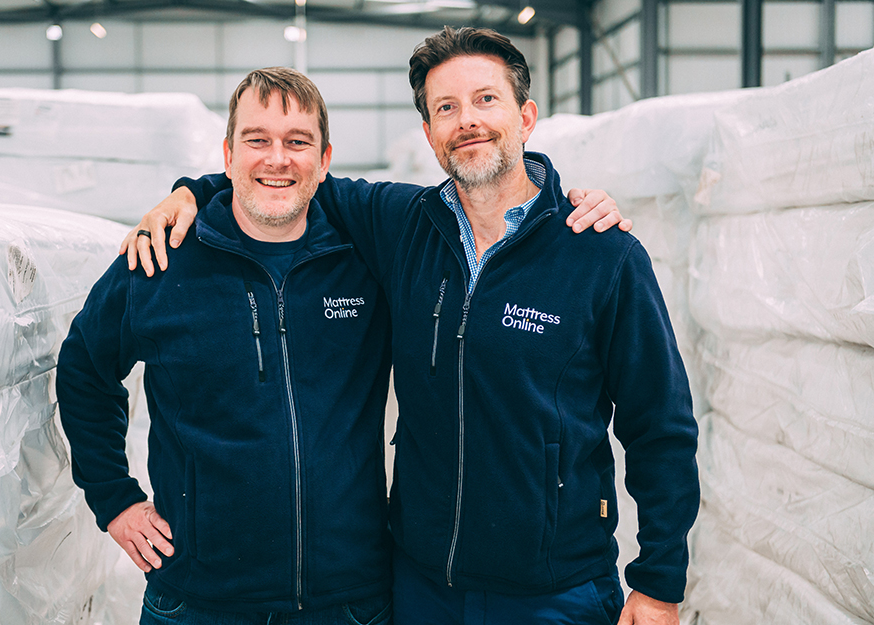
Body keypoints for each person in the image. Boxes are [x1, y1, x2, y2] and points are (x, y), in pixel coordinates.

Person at [122, 30, 682, 625]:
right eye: (446, 108)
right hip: (421, 585)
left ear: (526, 116)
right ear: (429, 135)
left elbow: (660, 424)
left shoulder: (599, 253)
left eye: (485, 100)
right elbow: (286, 175)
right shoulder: (404, 226)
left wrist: (659, 582)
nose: (467, 121)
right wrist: (190, 191)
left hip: (553, 590)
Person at [57, 68, 398, 625]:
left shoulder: (366, 261)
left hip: (350, 598)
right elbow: (83, 369)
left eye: (297, 142)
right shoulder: (161, 260)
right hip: (199, 598)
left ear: (326, 158)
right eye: (257, 140)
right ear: (228, 152)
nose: (277, 158)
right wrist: (113, 498)